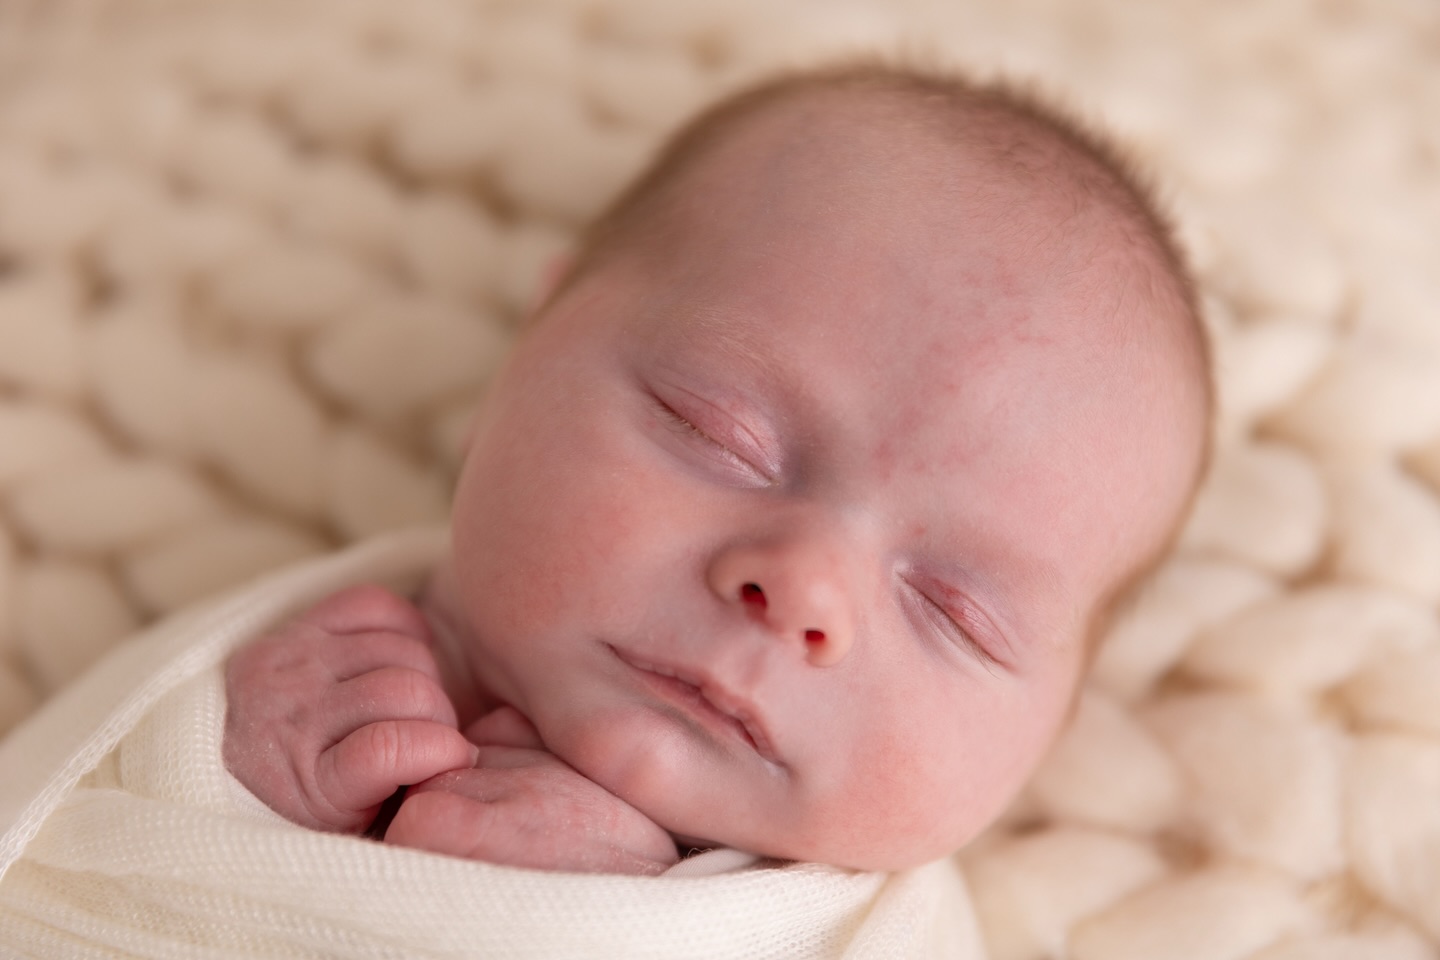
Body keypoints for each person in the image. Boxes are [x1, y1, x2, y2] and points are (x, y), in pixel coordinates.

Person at [222, 60, 1212, 877]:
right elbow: (69, 850)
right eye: (720, 436)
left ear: (1053, 727)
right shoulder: (303, 655)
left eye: (956, 610)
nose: (802, 588)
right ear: (533, 346)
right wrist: (224, 771)